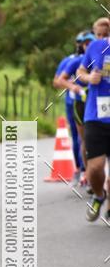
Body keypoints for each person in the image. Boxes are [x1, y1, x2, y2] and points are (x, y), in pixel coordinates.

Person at [76, 26, 110, 221]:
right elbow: (80, 72)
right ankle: (99, 195)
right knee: (95, 168)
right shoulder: (96, 47)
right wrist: (89, 77)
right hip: (96, 116)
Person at [53, 31, 93, 185]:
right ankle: (82, 169)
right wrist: (72, 86)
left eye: (89, 41)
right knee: (79, 137)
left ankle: (94, 172)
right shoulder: (71, 61)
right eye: (81, 41)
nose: (83, 44)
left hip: (97, 104)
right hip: (75, 103)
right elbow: (57, 81)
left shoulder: (100, 58)